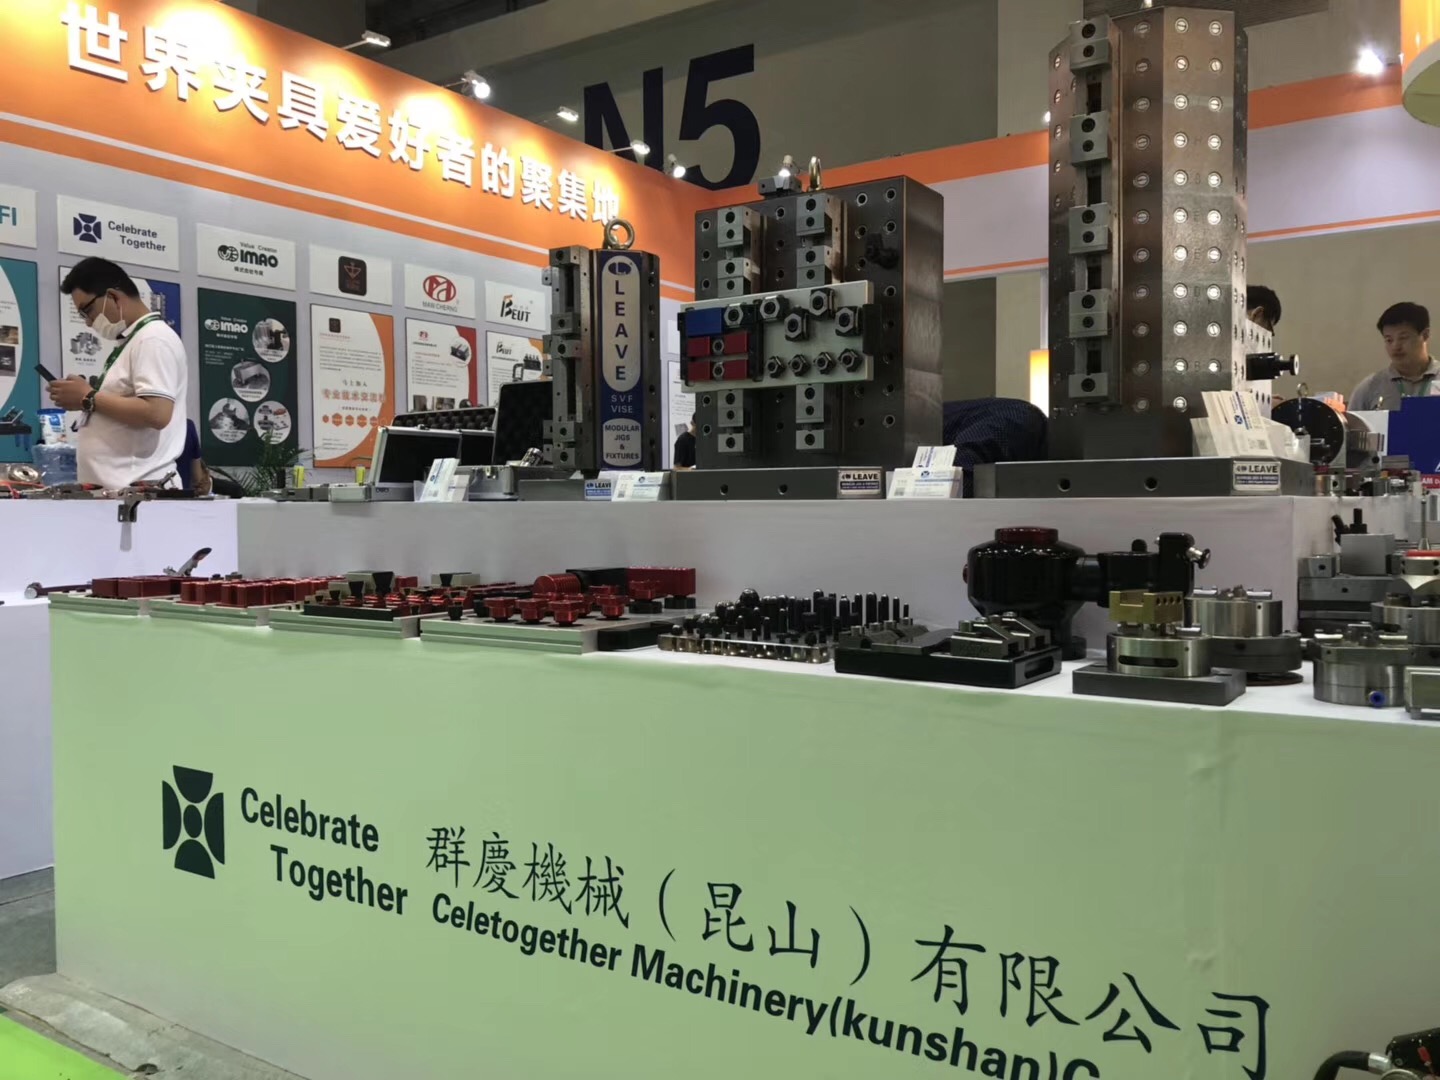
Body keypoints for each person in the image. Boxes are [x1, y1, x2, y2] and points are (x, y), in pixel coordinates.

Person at [49, 258, 188, 487]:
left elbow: (157, 413)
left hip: (141, 492)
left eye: (87, 310)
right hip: (122, 491)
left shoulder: (153, 339)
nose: (88, 322)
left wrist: (88, 397)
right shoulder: (134, 340)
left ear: (112, 296)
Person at [1350, 302, 1440, 411]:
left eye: (1403, 338)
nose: (1395, 346)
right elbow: (1352, 422)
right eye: (1389, 340)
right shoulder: (1369, 387)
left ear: (1425, 335)